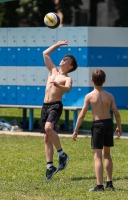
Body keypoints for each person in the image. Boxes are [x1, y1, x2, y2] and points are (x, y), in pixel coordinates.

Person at [72, 69, 122, 191]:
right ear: (104, 80)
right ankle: (109, 183)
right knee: (107, 155)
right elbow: (117, 113)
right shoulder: (109, 96)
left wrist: (76, 129)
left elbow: (82, 114)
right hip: (108, 124)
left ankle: (99, 185)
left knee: (97, 156)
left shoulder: (89, 96)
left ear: (92, 80)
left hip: (98, 124)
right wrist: (119, 127)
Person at [41, 40, 78, 180]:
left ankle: (62, 154)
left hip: (55, 105)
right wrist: (57, 44)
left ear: (70, 66)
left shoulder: (67, 78)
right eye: (63, 58)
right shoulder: (53, 70)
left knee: (49, 128)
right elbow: (45, 53)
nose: (63, 59)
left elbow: (68, 89)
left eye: (66, 59)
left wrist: (58, 85)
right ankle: (50, 166)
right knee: (46, 137)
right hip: (45, 105)